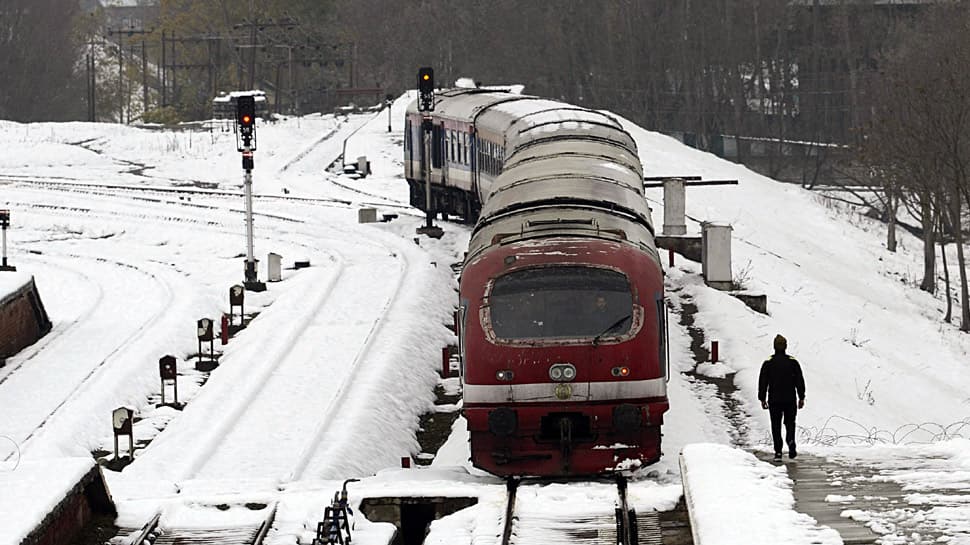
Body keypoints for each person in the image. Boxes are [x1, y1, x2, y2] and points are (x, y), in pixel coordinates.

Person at [758, 334, 806, 461]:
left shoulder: (768, 362)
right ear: (785, 346)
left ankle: (778, 452)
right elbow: (799, 381)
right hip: (790, 399)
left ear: (774, 347)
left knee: (776, 425)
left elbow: (763, 382)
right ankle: (790, 441)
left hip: (774, 400)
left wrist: (762, 398)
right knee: (790, 423)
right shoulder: (793, 362)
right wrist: (801, 397)